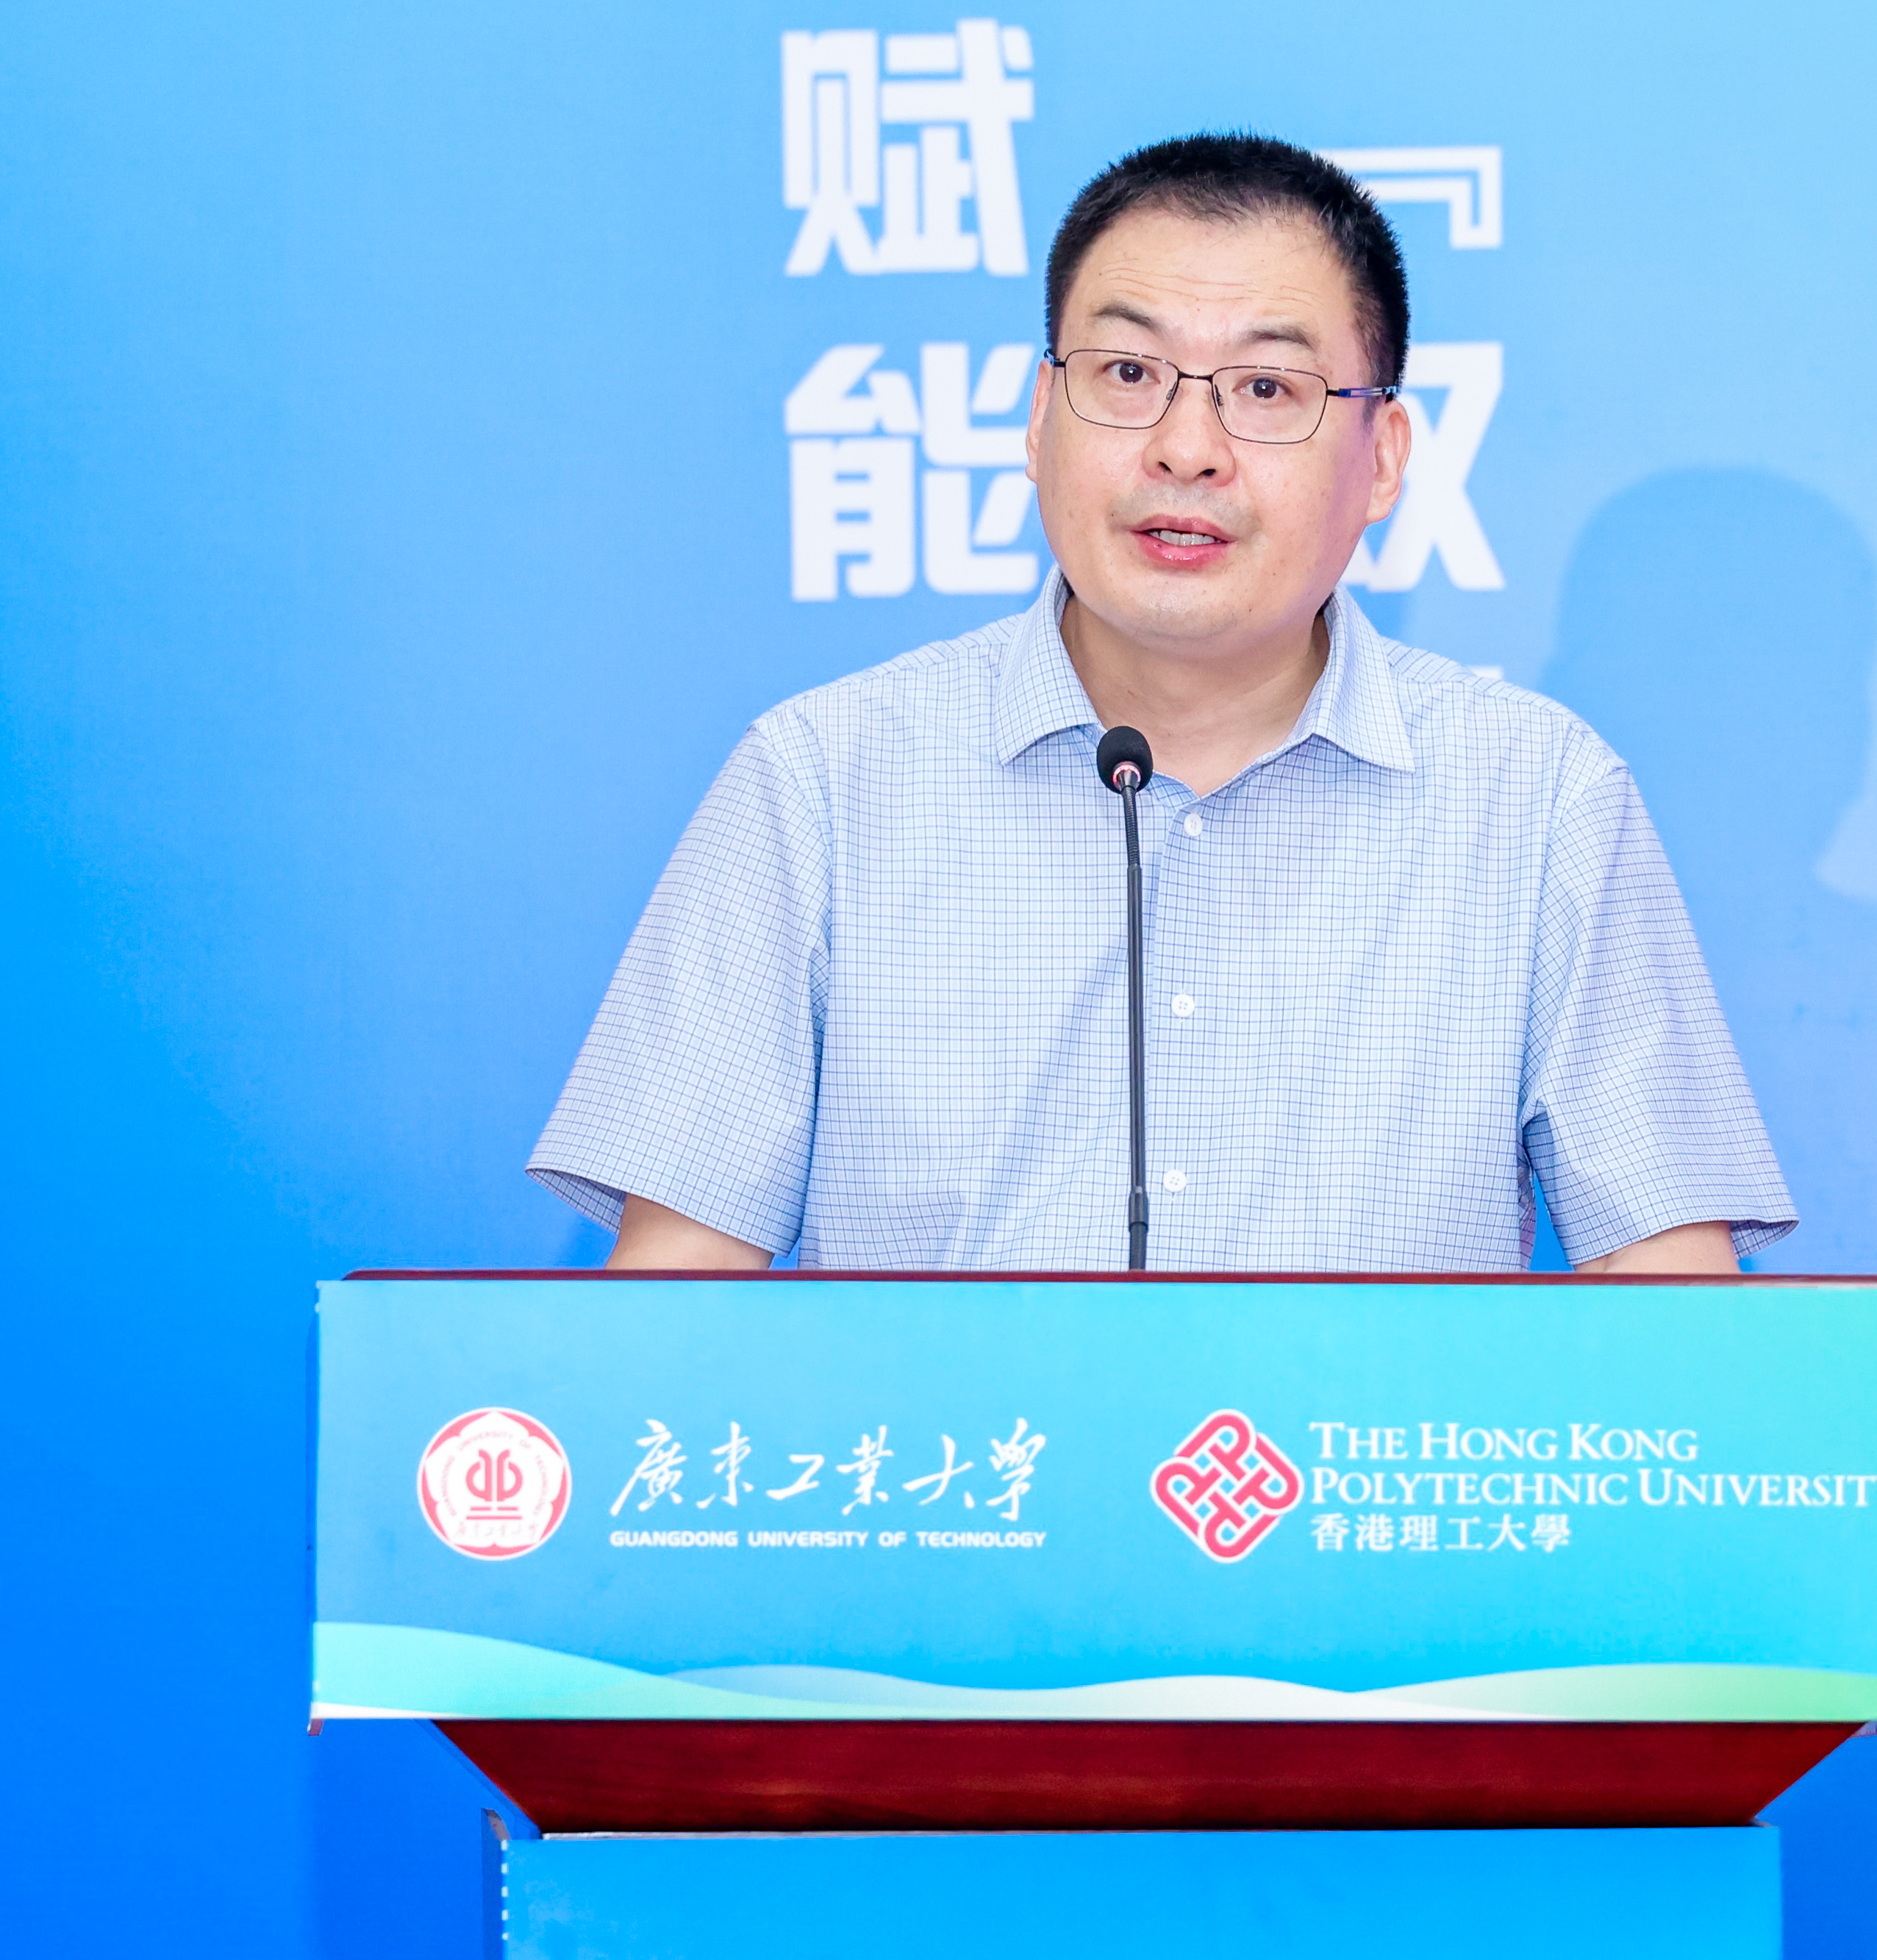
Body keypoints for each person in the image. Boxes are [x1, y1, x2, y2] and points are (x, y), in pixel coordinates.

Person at [529, 132, 1792, 1274]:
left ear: (1385, 460)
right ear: (1040, 418)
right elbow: (671, 1316)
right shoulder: (823, 778)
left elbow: (1672, 1311)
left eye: (1267, 388)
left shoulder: (1538, 795)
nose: (1187, 448)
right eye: (1129, 371)